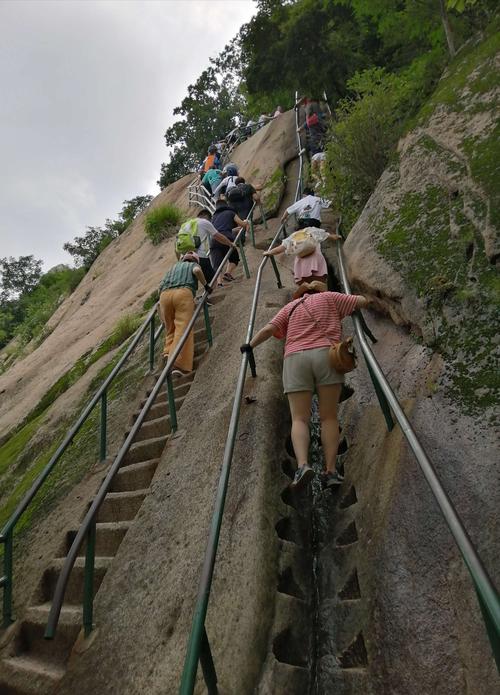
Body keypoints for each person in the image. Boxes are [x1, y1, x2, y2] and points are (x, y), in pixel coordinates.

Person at [240, 282, 369, 489]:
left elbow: (269, 329)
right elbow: (361, 301)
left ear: (300, 294)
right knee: (328, 417)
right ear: (320, 290)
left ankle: (302, 466)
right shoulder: (330, 297)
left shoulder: (290, 307)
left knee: (299, 418)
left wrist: (249, 346)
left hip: (295, 358)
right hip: (326, 356)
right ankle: (330, 471)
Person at [159, 252, 211, 375]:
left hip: (165, 296)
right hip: (183, 293)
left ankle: (168, 352)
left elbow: (159, 288)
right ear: (194, 260)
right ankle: (177, 364)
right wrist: (206, 285)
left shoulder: (172, 268)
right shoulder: (192, 265)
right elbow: (197, 271)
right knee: (183, 328)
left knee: (170, 328)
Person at [263, 227, 340, 285]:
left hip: (301, 264)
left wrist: (269, 252)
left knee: (305, 285)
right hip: (316, 260)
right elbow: (330, 236)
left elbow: (279, 249)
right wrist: (337, 237)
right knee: (321, 283)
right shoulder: (312, 230)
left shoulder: (292, 237)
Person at [177, 209, 235, 283]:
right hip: (199, 256)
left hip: (185, 258)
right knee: (212, 281)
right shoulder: (204, 222)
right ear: (206, 216)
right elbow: (217, 236)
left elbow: (177, 244)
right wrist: (230, 243)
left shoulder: (185, 225)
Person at [211, 196, 250, 286]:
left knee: (217, 264)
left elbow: (219, 230)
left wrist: (234, 229)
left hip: (214, 240)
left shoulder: (214, 217)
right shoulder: (230, 212)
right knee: (234, 258)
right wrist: (246, 222)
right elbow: (242, 224)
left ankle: (219, 283)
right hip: (227, 238)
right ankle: (228, 273)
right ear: (226, 205)